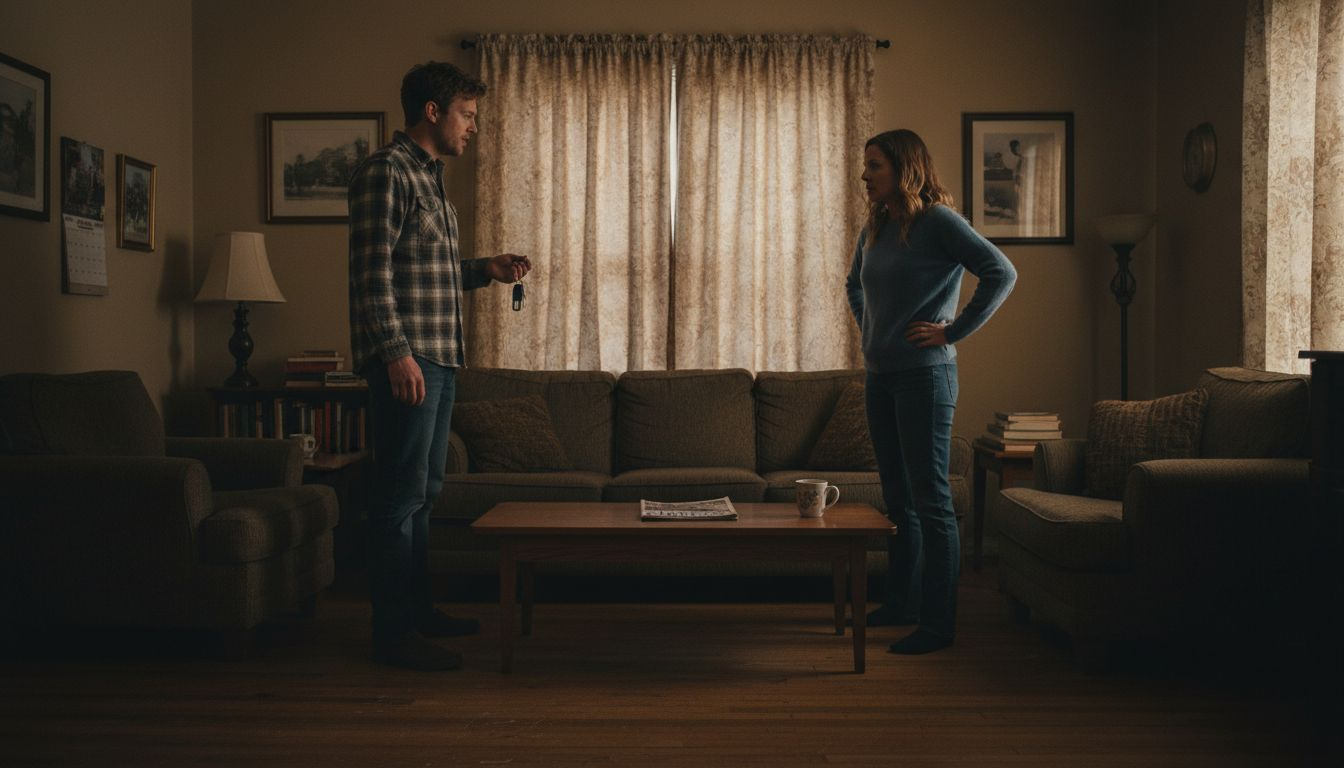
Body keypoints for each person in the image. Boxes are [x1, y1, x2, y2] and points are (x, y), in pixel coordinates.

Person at [349, 61, 532, 671]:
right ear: (433, 111)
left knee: (424, 494)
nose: (473, 127)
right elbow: (371, 274)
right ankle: (392, 637)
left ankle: (418, 613)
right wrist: (396, 353)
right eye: (468, 114)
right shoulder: (386, 173)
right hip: (411, 359)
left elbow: (425, 274)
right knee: (398, 497)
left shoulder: (432, 182)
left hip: (442, 357)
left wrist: (487, 269)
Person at [846, 129, 1016, 654]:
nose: (865, 174)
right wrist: (871, 331)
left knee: (931, 501)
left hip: (926, 376)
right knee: (897, 499)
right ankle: (903, 603)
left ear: (904, 167)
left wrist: (951, 330)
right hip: (882, 376)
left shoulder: (938, 221)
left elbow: (1001, 272)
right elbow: (854, 284)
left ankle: (938, 624)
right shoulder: (876, 225)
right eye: (865, 165)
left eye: (874, 165)